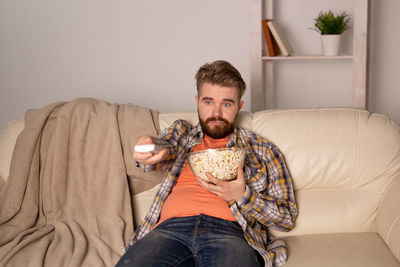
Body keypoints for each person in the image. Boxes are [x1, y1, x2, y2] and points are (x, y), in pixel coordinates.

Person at [115, 60, 297, 267]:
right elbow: (160, 152)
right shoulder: (182, 134)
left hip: (230, 232)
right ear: (197, 101)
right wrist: (148, 148)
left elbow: (285, 218)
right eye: (208, 102)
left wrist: (242, 195)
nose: (216, 113)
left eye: (226, 103)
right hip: (169, 230)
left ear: (239, 106)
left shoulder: (262, 149)